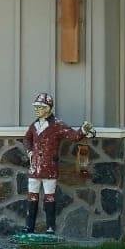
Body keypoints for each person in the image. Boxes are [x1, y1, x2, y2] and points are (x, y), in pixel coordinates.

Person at [23, 92, 94, 234]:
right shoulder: (34, 125)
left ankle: (50, 227)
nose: (37, 109)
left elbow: (73, 136)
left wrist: (83, 130)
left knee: (49, 197)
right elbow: (27, 139)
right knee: (32, 196)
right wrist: (29, 152)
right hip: (34, 168)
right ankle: (29, 226)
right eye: (36, 107)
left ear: (48, 108)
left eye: (40, 107)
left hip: (49, 168)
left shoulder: (57, 125)